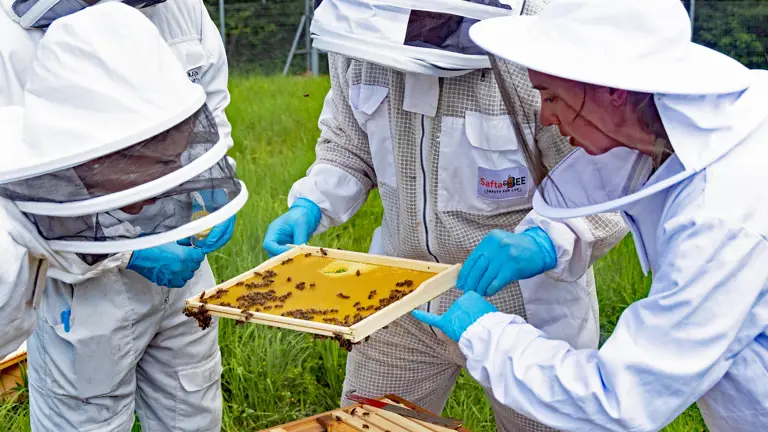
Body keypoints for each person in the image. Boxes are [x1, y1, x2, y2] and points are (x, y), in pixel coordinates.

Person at [264, 0, 627, 430]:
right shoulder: (363, 26)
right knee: (366, 425)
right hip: (400, 297)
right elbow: (349, 144)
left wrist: (544, 242)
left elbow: (606, 179)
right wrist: (311, 204)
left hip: (526, 306)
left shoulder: (544, 37)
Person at [411, 0, 768, 430]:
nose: (545, 115)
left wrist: (486, 333)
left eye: (552, 95)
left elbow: (621, 399)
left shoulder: (720, 216)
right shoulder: (707, 123)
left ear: (614, 90)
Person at [0, 3, 248, 430]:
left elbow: (210, 102)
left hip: (184, 270)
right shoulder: (10, 41)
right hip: (83, 290)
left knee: (191, 413)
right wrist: (128, 252)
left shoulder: (184, 11)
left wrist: (209, 176)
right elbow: (34, 195)